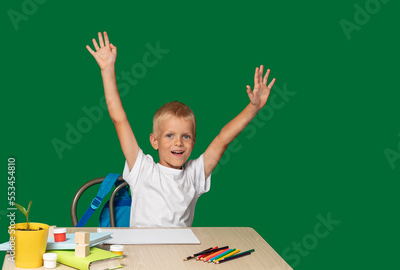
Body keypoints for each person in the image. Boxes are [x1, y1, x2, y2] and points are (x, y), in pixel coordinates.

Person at [86, 31, 276, 227]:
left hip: (180, 255)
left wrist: (253, 108)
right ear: (154, 141)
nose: (178, 142)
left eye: (186, 136)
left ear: (193, 142)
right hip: (142, 254)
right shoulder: (142, 168)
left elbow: (223, 140)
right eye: (169, 135)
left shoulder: (195, 174)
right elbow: (119, 119)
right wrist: (107, 70)